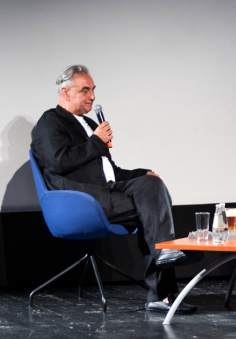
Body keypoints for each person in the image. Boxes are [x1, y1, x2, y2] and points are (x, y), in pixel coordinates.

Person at [30, 64, 198, 313]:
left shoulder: (88, 124)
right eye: (85, 90)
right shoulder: (50, 121)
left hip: (107, 190)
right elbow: (57, 162)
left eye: (93, 90)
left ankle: (164, 260)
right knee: (152, 209)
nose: (92, 96)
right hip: (81, 199)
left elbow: (111, 172)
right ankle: (162, 289)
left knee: (153, 184)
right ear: (65, 92)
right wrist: (96, 141)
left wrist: (143, 173)